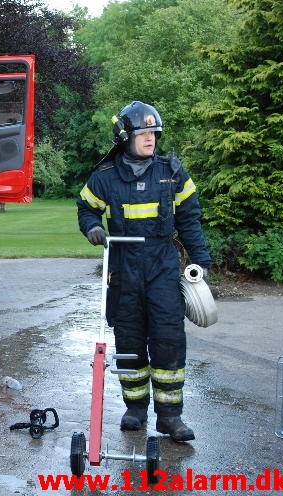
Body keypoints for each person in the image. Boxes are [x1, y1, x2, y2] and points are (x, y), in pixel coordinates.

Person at [76, 101, 211, 442]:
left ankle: (170, 417)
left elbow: (190, 220)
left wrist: (201, 261)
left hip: (162, 267)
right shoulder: (104, 177)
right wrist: (91, 227)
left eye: (154, 132)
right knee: (130, 341)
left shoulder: (173, 172)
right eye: (144, 133)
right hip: (123, 269)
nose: (151, 139)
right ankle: (135, 409)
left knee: (168, 340)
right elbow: (86, 208)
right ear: (125, 137)